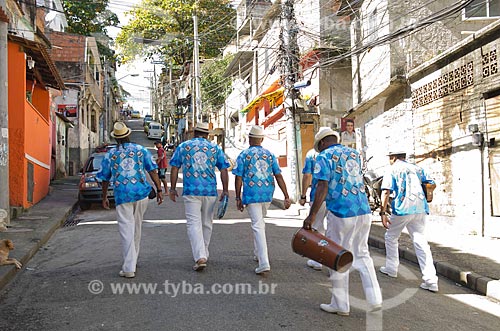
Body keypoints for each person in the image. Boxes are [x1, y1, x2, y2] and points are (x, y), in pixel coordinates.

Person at [303, 127, 382, 315]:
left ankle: (340, 304)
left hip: (341, 211)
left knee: (337, 256)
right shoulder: (354, 153)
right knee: (362, 254)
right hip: (363, 209)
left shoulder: (323, 157)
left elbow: (322, 186)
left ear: (322, 143)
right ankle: (375, 299)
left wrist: (312, 214)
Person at [97, 122, 164, 278]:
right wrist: (159, 190)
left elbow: (104, 178)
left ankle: (129, 267)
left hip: (122, 195)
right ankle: (132, 261)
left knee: (126, 230)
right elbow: (153, 170)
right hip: (141, 193)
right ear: (128, 135)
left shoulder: (110, 155)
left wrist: (104, 196)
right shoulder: (141, 150)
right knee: (137, 227)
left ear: (116, 139)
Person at [169, 122, 230, 271]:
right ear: (207, 134)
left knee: (193, 223)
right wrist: (226, 190)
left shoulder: (184, 146)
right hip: (210, 190)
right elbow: (223, 169)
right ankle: (203, 253)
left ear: (194, 132)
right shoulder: (214, 148)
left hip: (191, 190)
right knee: (207, 223)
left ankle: (200, 256)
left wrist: (172, 188)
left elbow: (175, 167)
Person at [233, 125, 291, 274]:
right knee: (260, 224)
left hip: (251, 194)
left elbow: (238, 177)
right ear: (262, 139)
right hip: (267, 194)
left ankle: (264, 262)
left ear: (249, 139)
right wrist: (286, 195)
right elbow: (278, 175)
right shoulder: (270, 155)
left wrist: (238, 197)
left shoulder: (243, 155)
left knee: (258, 226)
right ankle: (258, 253)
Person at [379, 151, 439, 292]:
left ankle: (391, 268)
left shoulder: (392, 169)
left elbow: (386, 191)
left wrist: (382, 212)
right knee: (421, 242)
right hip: (420, 208)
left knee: (391, 236)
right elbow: (431, 183)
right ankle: (431, 280)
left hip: (402, 208)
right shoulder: (417, 168)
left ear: (393, 157)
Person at [299, 147, 326, 271]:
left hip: (317, 196)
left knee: (317, 227)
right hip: (336, 197)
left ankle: (318, 260)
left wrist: (303, 195)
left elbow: (307, 175)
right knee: (334, 229)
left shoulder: (312, 154)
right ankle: (333, 259)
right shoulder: (339, 152)